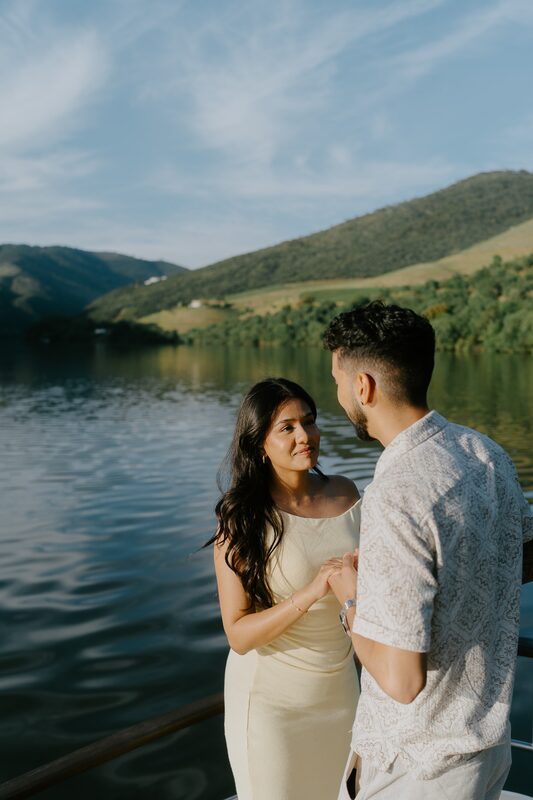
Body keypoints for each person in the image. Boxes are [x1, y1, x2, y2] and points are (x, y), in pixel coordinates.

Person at [322, 300, 533, 800]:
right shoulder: (486, 453)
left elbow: (402, 681)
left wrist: (351, 598)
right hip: (488, 748)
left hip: (418, 767)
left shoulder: (396, 493)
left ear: (363, 386)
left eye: (336, 379)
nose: (337, 393)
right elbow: (525, 555)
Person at [210, 377, 361, 800]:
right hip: (272, 704)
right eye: (287, 428)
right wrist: (311, 592)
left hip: (341, 692)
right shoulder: (241, 518)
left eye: (309, 422)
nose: (304, 436)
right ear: (259, 444)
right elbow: (238, 635)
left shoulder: (348, 493)